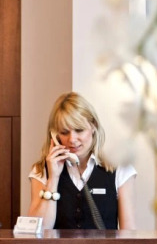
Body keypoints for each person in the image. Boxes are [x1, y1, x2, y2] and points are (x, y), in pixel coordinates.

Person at [28, 92, 136, 229]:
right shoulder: (41, 171)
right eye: (64, 132)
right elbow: (37, 231)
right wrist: (53, 178)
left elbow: (128, 232)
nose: (72, 139)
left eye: (79, 130)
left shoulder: (120, 169)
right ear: (55, 135)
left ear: (93, 126)